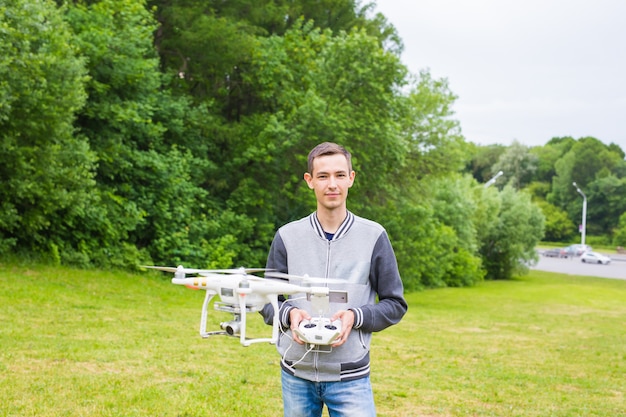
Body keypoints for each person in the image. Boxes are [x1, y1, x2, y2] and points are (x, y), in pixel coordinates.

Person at [261, 142, 408, 417]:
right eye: (323, 176)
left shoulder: (374, 236)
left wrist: (356, 316)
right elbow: (267, 300)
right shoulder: (287, 236)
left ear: (351, 179)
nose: (332, 184)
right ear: (309, 181)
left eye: (340, 175)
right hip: (296, 374)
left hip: (350, 376)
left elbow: (395, 304)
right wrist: (288, 315)